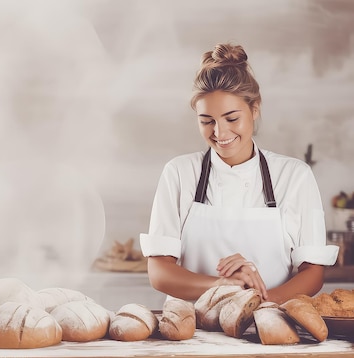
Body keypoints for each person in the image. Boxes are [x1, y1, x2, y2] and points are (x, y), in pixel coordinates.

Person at [139, 43, 339, 304]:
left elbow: (313, 273)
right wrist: (224, 285)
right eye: (206, 121)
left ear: (254, 109)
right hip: (191, 334)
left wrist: (257, 303)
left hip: (265, 331)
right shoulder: (179, 173)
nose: (219, 133)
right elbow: (159, 273)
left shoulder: (294, 177)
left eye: (231, 118)